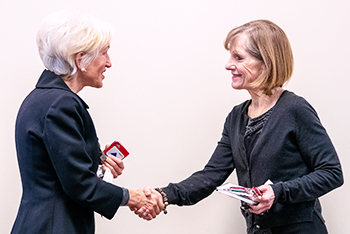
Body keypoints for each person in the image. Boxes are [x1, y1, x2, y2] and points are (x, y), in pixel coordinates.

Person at [138, 20, 344, 234]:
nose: (228, 65)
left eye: (238, 57)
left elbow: (331, 172)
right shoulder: (236, 117)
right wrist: (163, 195)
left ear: (265, 63)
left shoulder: (295, 109)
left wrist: (277, 192)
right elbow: (211, 175)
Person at [11, 11, 163, 234]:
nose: (109, 63)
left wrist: (100, 166)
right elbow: (79, 185)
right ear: (80, 59)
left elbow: (58, 170)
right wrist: (133, 197)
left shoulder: (40, 98)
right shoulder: (61, 104)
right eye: (104, 53)